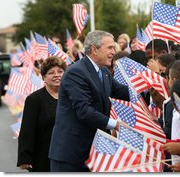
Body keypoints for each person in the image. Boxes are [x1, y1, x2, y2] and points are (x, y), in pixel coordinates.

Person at [48, 30, 130, 172]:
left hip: (94, 154)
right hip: (71, 155)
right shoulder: (76, 72)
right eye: (110, 47)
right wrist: (115, 124)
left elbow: (124, 93)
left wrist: (151, 90)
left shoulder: (104, 72)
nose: (114, 51)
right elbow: (84, 110)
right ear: (94, 49)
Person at [17, 57, 67, 172]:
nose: (56, 75)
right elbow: (27, 130)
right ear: (43, 77)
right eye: (51, 73)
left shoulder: (72, 96)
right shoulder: (34, 100)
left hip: (68, 155)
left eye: (60, 72)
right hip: (43, 157)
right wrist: (25, 158)